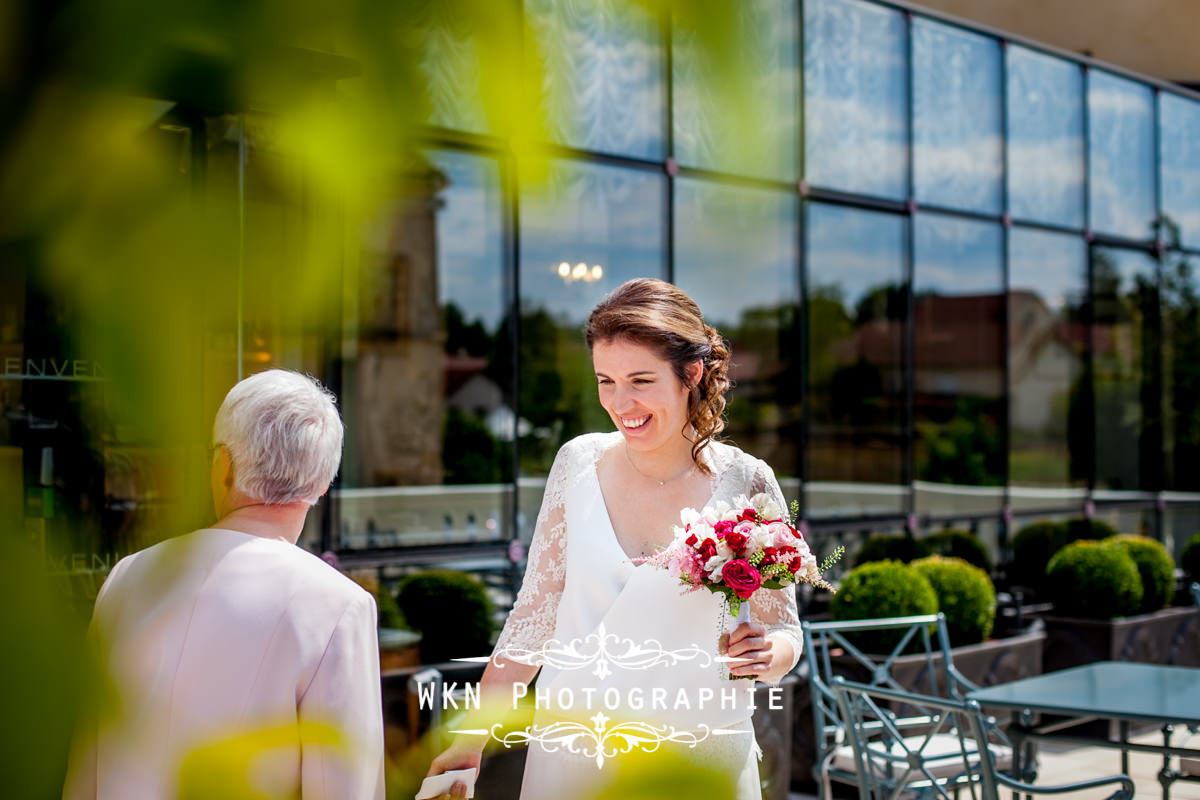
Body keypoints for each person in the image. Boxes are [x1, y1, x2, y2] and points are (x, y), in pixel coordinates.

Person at [426, 278, 803, 800]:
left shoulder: (749, 483)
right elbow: (533, 621)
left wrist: (769, 654)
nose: (620, 402)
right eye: (605, 380)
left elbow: (784, 628)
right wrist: (469, 741)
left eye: (640, 380)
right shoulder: (577, 464)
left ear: (691, 373)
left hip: (699, 760)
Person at [62, 369, 385, 800]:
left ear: (223, 466)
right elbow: (345, 788)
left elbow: (86, 766)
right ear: (324, 484)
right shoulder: (338, 606)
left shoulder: (129, 575)